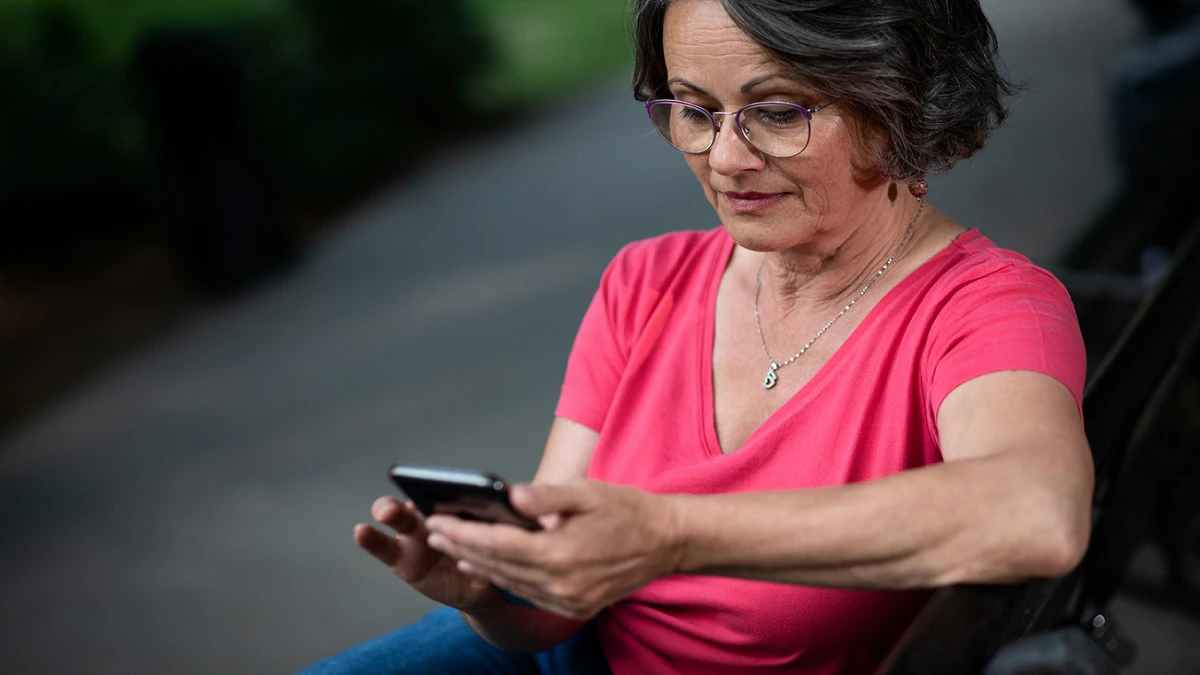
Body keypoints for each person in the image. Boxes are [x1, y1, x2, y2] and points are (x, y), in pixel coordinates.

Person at [302, 0, 1094, 673]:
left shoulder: (986, 307)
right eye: (694, 110)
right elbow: (555, 608)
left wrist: (670, 534)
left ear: (902, 108)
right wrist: (491, 592)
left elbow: (1034, 510)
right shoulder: (646, 281)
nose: (725, 157)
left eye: (776, 112)